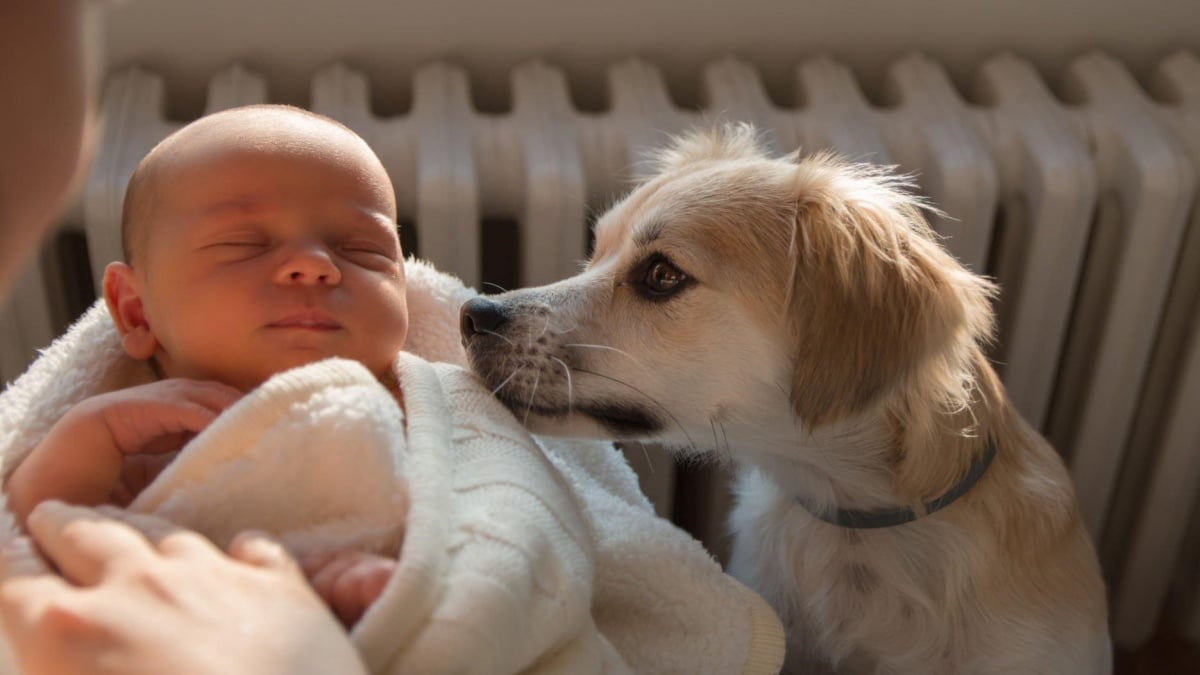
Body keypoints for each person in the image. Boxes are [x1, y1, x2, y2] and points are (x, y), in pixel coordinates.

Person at [0, 2, 370, 673]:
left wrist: (383, 575)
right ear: (136, 314)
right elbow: (35, 532)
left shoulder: (424, 408)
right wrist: (91, 435)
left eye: (363, 248)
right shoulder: (153, 447)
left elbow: (495, 530)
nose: (316, 264)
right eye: (242, 242)